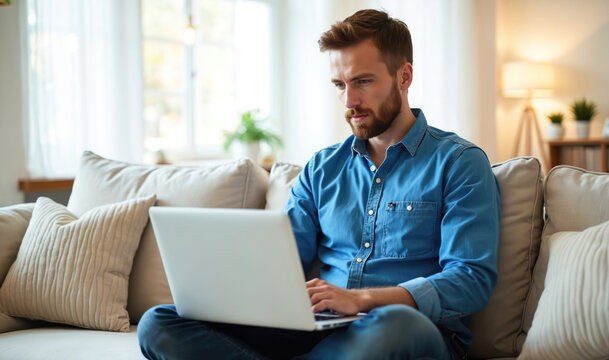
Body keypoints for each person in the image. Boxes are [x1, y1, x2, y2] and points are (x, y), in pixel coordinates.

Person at [138, 9, 501, 360]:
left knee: (397, 322)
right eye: (339, 85)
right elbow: (279, 259)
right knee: (160, 322)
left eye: (362, 81)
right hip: (322, 328)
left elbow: (470, 279)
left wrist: (360, 300)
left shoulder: (459, 163)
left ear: (404, 76)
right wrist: (228, 292)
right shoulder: (322, 168)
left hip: (411, 329)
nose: (348, 101)